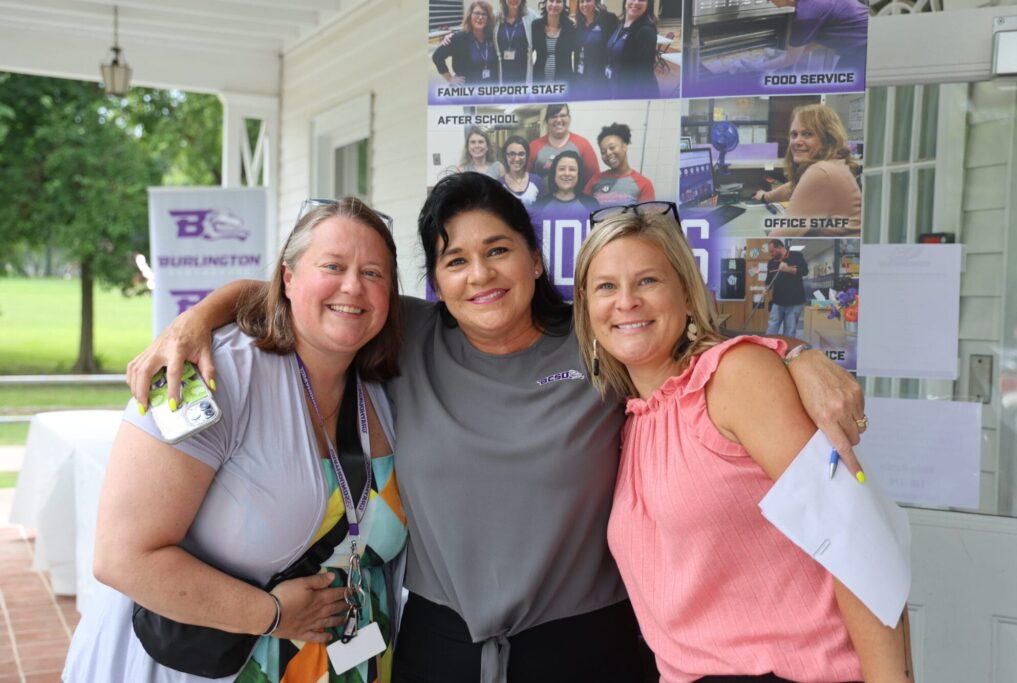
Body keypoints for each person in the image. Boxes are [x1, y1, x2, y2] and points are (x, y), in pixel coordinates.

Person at [127, 177, 869, 683]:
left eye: (498, 250)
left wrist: (795, 354)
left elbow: (680, 340)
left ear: (535, 256)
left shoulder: (593, 342)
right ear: (435, 282)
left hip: (589, 645)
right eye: (454, 260)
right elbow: (305, 295)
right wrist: (195, 318)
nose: (479, 274)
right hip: (439, 647)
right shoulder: (407, 336)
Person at [64, 199, 407, 683]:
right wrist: (270, 614)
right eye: (332, 266)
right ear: (288, 278)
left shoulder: (380, 385)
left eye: (373, 273)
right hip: (208, 665)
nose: (353, 286)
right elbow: (122, 557)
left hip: (350, 661)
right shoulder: (211, 373)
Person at [573, 202, 914, 683]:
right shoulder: (633, 420)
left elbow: (857, 537)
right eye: (606, 286)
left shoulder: (733, 377)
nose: (626, 301)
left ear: (688, 296)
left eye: (648, 280)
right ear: (587, 307)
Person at [754, 104, 862, 236]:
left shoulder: (821, 172)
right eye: (794, 135)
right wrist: (765, 196)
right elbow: (795, 187)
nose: (797, 141)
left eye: (807, 134)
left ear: (828, 137)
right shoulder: (833, 165)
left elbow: (777, 239)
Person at [747, 0, 868, 74]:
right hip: (865, 39)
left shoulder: (806, 16)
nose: (768, 1)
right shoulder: (812, 5)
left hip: (865, 48)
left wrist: (757, 67)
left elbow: (790, 59)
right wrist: (785, 54)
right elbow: (821, 38)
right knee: (844, 77)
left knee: (847, 81)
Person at [584, 123, 655, 206]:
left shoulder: (644, 184)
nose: (608, 153)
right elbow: (581, 209)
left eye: (612, 147)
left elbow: (647, 217)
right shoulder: (595, 180)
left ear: (624, 146)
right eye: (603, 152)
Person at [431, 1, 499, 86]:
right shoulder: (458, 38)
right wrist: (449, 78)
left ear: (488, 18)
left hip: (487, 91)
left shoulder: (492, 38)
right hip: (465, 91)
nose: (480, 17)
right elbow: (437, 57)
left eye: (484, 14)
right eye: (477, 13)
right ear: (470, 15)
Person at [528, 103, 600, 182]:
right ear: (547, 121)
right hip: (542, 194)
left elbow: (595, 179)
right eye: (553, 116)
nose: (558, 120)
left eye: (562, 116)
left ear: (569, 118)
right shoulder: (534, 146)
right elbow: (525, 179)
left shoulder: (583, 144)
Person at [606, 0, 660, 99]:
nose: (635, 2)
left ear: (649, 4)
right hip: (616, 85)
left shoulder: (646, 31)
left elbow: (644, 75)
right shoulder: (621, 24)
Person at [766, 238, 808, 338]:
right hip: (777, 302)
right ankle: (769, 350)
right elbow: (769, 281)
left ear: (780, 247)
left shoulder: (796, 255)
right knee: (772, 328)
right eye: (770, 252)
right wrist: (766, 289)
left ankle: (787, 352)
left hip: (794, 302)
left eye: (772, 251)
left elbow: (804, 271)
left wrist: (787, 269)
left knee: (789, 331)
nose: (771, 254)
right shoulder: (771, 262)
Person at [574, 0, 618, 96]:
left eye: (588, 1)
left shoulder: (608, 19)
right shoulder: (579, 24)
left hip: (600, 77)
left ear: (596, 2)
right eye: (581, 2)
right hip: (581, 76)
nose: (584, 4)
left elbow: (614, 47)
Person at [532, 150, 599, 213]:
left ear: (579, 174)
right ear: (554, 173)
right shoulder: (540, 204)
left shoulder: (591, 204)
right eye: (562, 169)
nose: (567, 173)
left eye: (572, 169)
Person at [530, 0, 577, 86]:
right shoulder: (536, 26)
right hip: (540, 81)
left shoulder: (571, 27)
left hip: (564, 82)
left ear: (563, 5)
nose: (554, 5)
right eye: (551, 1)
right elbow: (528, 51)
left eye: (558, 1)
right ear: (546, 3)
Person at [494, 0, 538, 84]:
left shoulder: (530, 16)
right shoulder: (496, 17)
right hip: (503, 73)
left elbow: (546, 24)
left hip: (524, 72)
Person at [498, 135, 545, 207]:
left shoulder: (537, 181)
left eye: (521, 154)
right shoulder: (498, 185)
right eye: (512, 154)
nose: (517, 159)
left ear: (527, 156)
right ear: (505, 156)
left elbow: (543, 212)